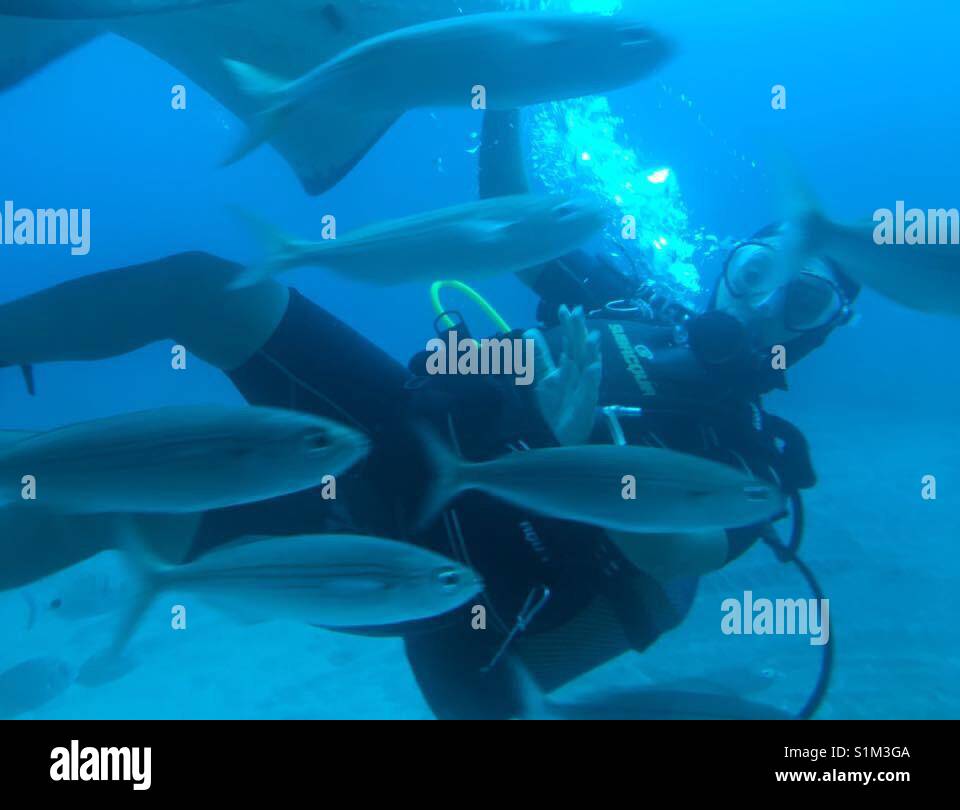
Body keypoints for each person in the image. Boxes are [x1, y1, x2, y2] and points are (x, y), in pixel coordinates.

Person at [0, 116, 858, 720]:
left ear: (820, 336)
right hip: (393, 426)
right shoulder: (631, 302)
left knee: (124, 506)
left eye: (803, 300)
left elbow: (679, 550)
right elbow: (513, 209)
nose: (763, 306)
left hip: (432, 562)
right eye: (757, 272)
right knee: (201, 285)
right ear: (727, 266)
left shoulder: (755, 453)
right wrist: (504, 84)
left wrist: (585, 448)